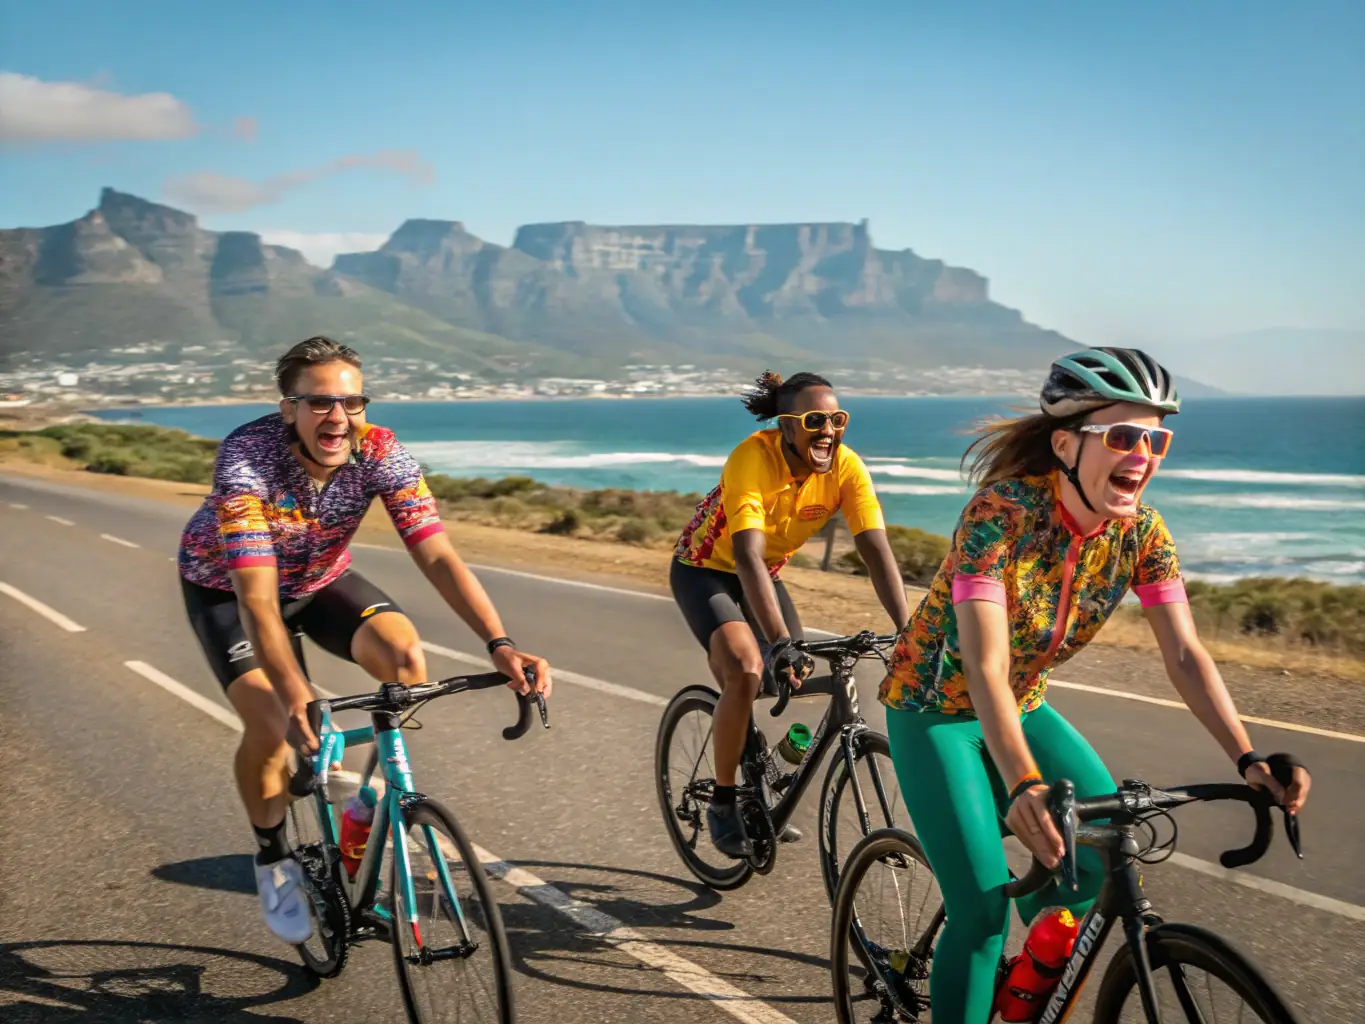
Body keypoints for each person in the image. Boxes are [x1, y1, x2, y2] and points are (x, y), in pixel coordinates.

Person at [876, 347, 1313, 1022]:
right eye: (1121, 436)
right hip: (934, 710)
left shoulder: (1141, 534)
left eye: (1154, 439)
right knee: (982, 913)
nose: (1141, 453)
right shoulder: (1001, 514)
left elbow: (1186, 655)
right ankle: (977, 966)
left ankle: (1017, 993)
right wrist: (1021, 782)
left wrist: (1246, 757)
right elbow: (984, 664)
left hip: (1020, 706)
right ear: (1064, 444)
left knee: (1092, 869)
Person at [177, 335, 553, 945]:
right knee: (274, 719)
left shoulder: (380, 449)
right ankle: (273, 857)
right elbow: (256, 598)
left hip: (321, 579)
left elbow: (437, 555)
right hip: (230, 591)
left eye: (352, 402)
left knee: (406, 657)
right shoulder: (248, 458)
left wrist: (500, 642)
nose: (339, 417)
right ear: (288, 409)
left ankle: (363, 814)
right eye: (320, 402)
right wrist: (297, 691)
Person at [671, 370, 910, 859]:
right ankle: (722, 801)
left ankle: (761, 781)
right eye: (814, 420)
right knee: (746, 669)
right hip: (707, 571)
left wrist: (909, 631)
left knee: (790, 677)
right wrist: (779, 641)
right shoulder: (751, 460)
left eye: (837, 419)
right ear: (787, 426)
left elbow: (876, 551)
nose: (828, 430)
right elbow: (746, 556)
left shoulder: (846, 467)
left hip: (762, 575)